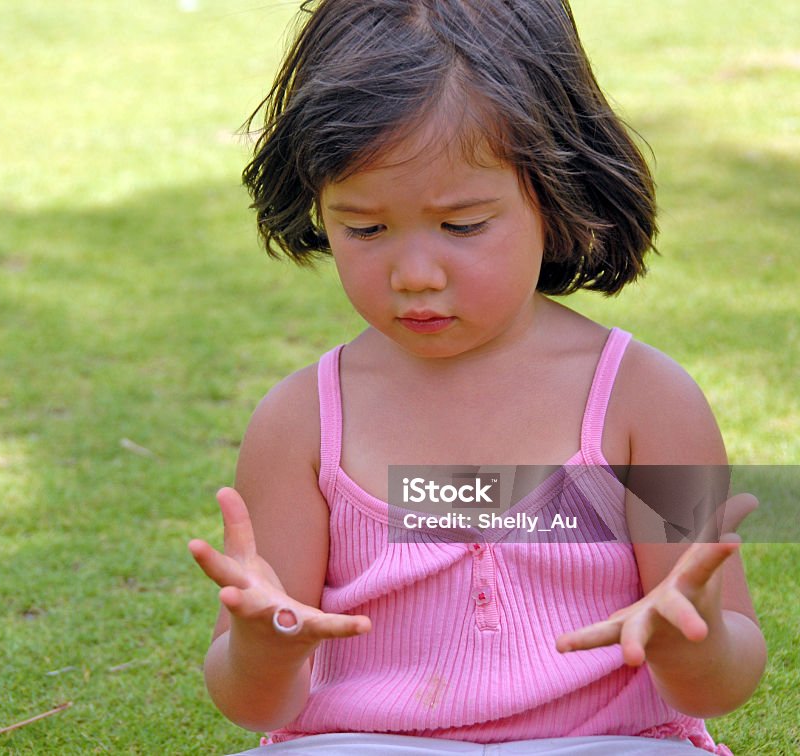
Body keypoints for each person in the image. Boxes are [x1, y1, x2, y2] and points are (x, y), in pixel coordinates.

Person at [187, 1, 767, 753]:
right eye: (364, 228)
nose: (415, 275)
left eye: (462, 225)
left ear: (555, 196)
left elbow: (723, 677)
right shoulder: (301, 421)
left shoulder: (644, 401)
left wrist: (693, 646)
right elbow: (256, 705)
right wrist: (261, 651)